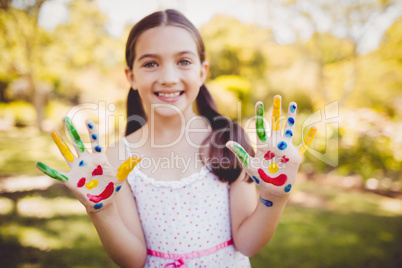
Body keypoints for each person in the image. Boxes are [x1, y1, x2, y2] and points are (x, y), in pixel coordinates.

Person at [36, 9, 316, 268]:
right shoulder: (116, 159)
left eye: (183, 61)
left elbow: (247, 243)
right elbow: (132, 259)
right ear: (130, 76)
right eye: (151, 64)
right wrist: (102, 210)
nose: (168, 77)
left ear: (202, 71)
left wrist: (274, 196)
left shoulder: (228, 142)